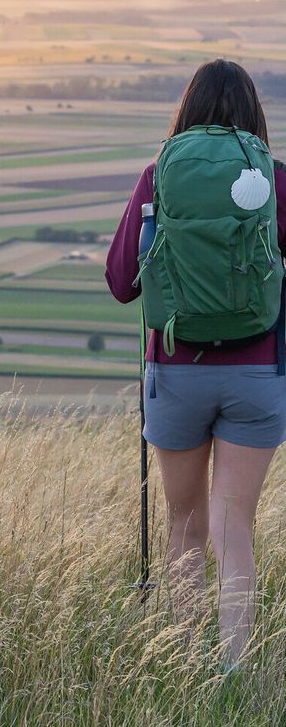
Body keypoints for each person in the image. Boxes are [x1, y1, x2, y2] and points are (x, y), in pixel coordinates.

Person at [106, 59, 286, 667]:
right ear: (255, 115)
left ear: (186, 110)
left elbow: (119, 283)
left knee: (183, 525)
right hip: (259, 373)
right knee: (234, 528)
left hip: (177, 371)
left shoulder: (159, 177)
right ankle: (233, 670)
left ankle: (182, 667)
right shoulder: (276, 180)